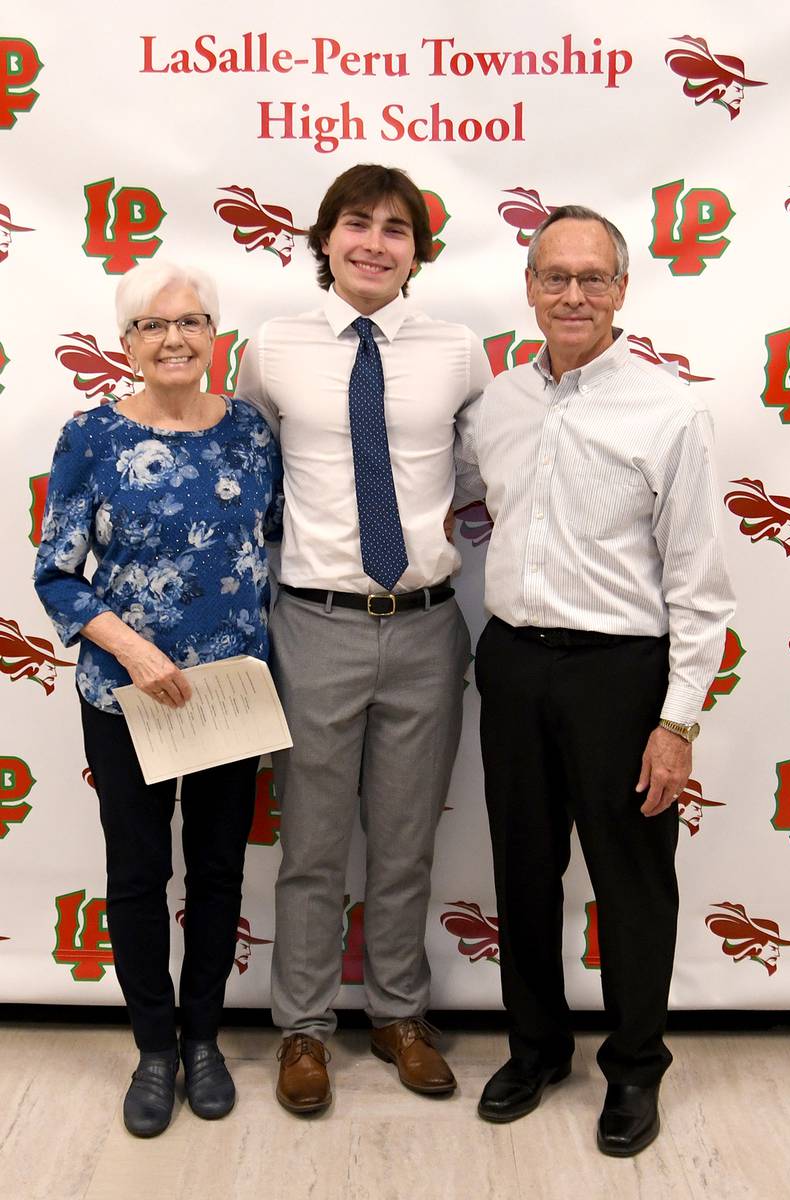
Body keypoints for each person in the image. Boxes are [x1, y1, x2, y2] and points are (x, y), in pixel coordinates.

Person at [460, 206, 734, 1155]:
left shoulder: (669, 409)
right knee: (525, 872)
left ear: (622, 290)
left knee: (631, 883)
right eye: (554, 277)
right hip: (512, 661)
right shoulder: (495, 403)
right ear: (529, 288)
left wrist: (679, 723)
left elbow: (701, 584)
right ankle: (536, 1050)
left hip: (623, 673)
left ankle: (635, 1069)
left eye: (593, 278)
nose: (572, 295)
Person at [236, 163, 490, 1113]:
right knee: (309, 844)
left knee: (404, 842)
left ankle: (397, 1015)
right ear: (325, 237)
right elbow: (251, 470)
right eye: (357, 223)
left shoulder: (461, 350)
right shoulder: (271, 349)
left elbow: (476, 469)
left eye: (396, 227)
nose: (375, 241)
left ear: (418, 250)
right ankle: (302, 1033)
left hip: (427, 629)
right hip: (314, 625)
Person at [34, 261, 281, 1138]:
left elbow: (277, 546)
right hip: (126, 697)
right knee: (138, 876)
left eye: (192, 322)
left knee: (217, 872)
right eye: (153, 325)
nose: (174, 338)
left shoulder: (252, 433)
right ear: (127, 342)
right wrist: (134, 651)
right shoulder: (90, 437)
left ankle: (205, 1040)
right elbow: (54, 573)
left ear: (216, 336)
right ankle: (154, 1051)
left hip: (230, 696)